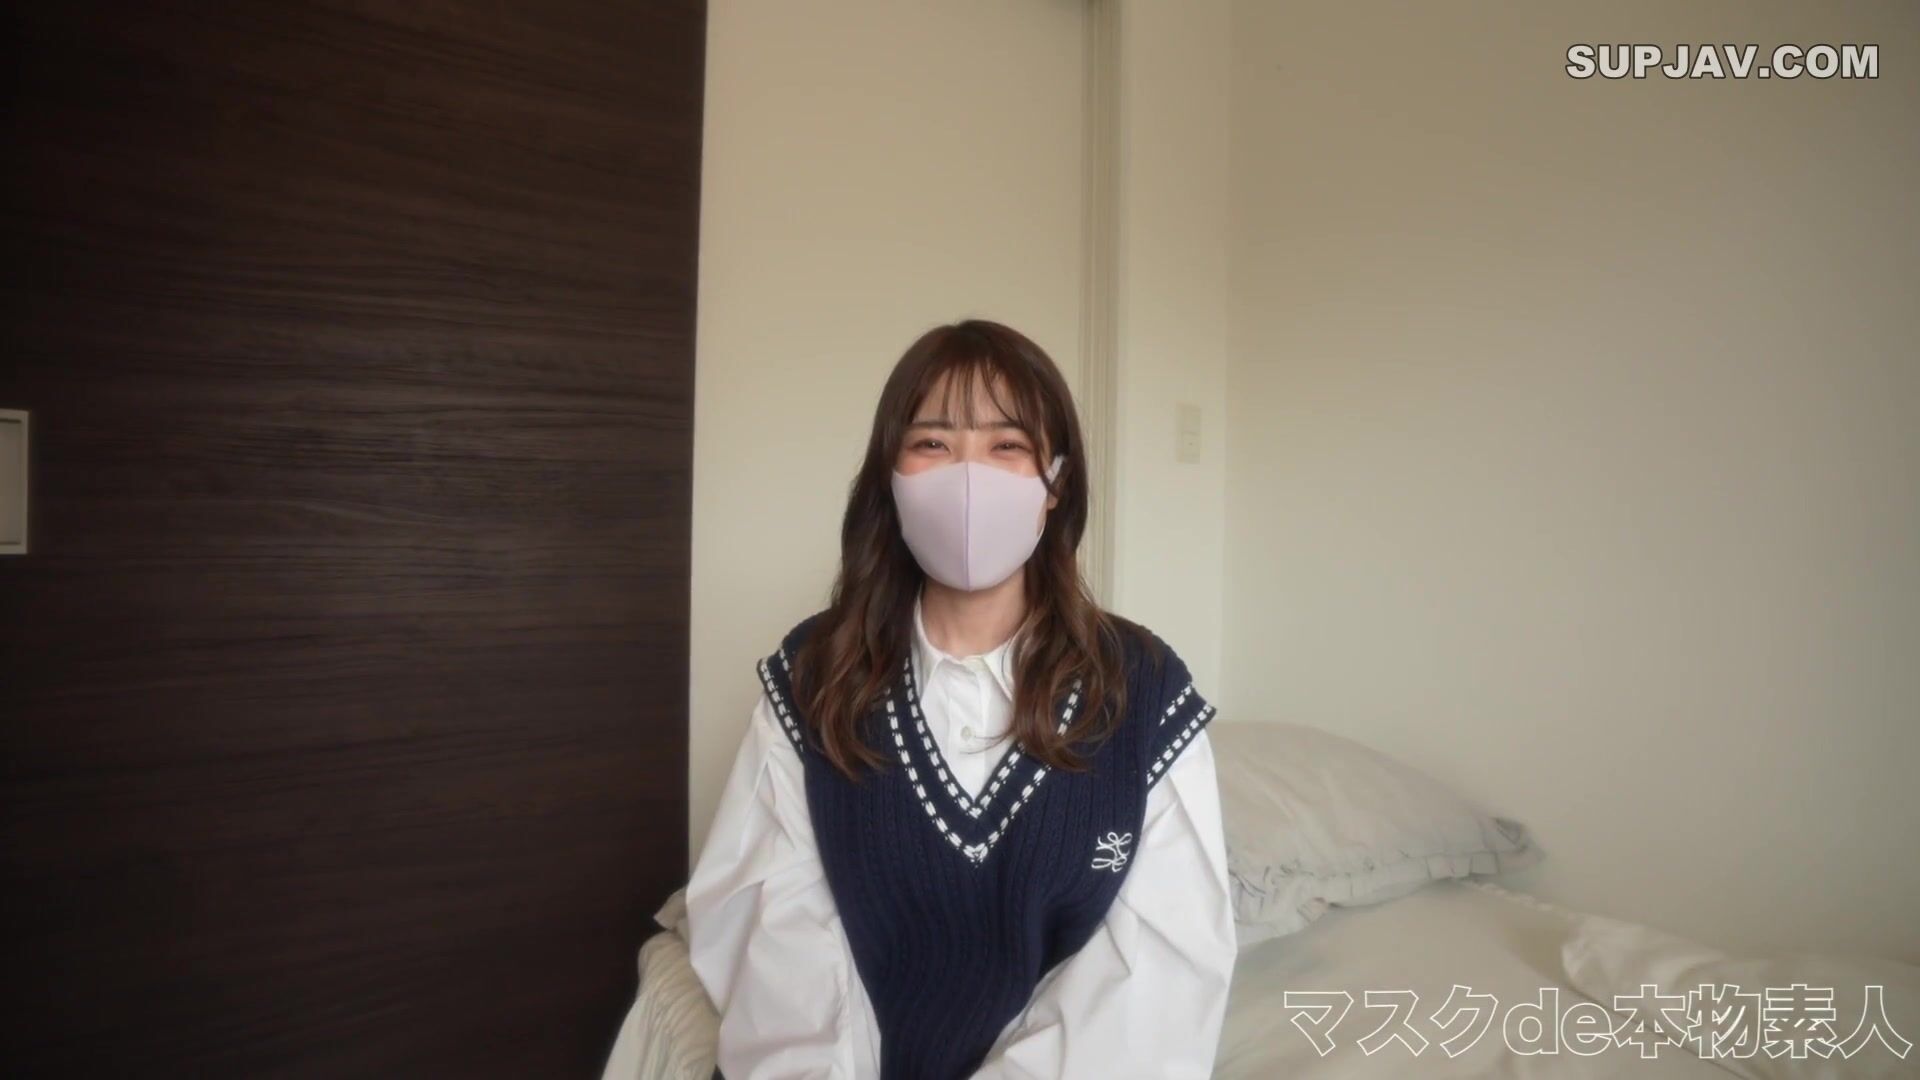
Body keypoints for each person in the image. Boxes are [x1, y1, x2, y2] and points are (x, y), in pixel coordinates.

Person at [686, 319, 1236, 1079]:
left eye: (1007, 445)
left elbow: (1155, 969)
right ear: (891, 477)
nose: (969, 476)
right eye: (933, 443)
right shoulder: (813, 676)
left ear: (1056, 483)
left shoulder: (1143, 688)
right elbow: (776, 936)